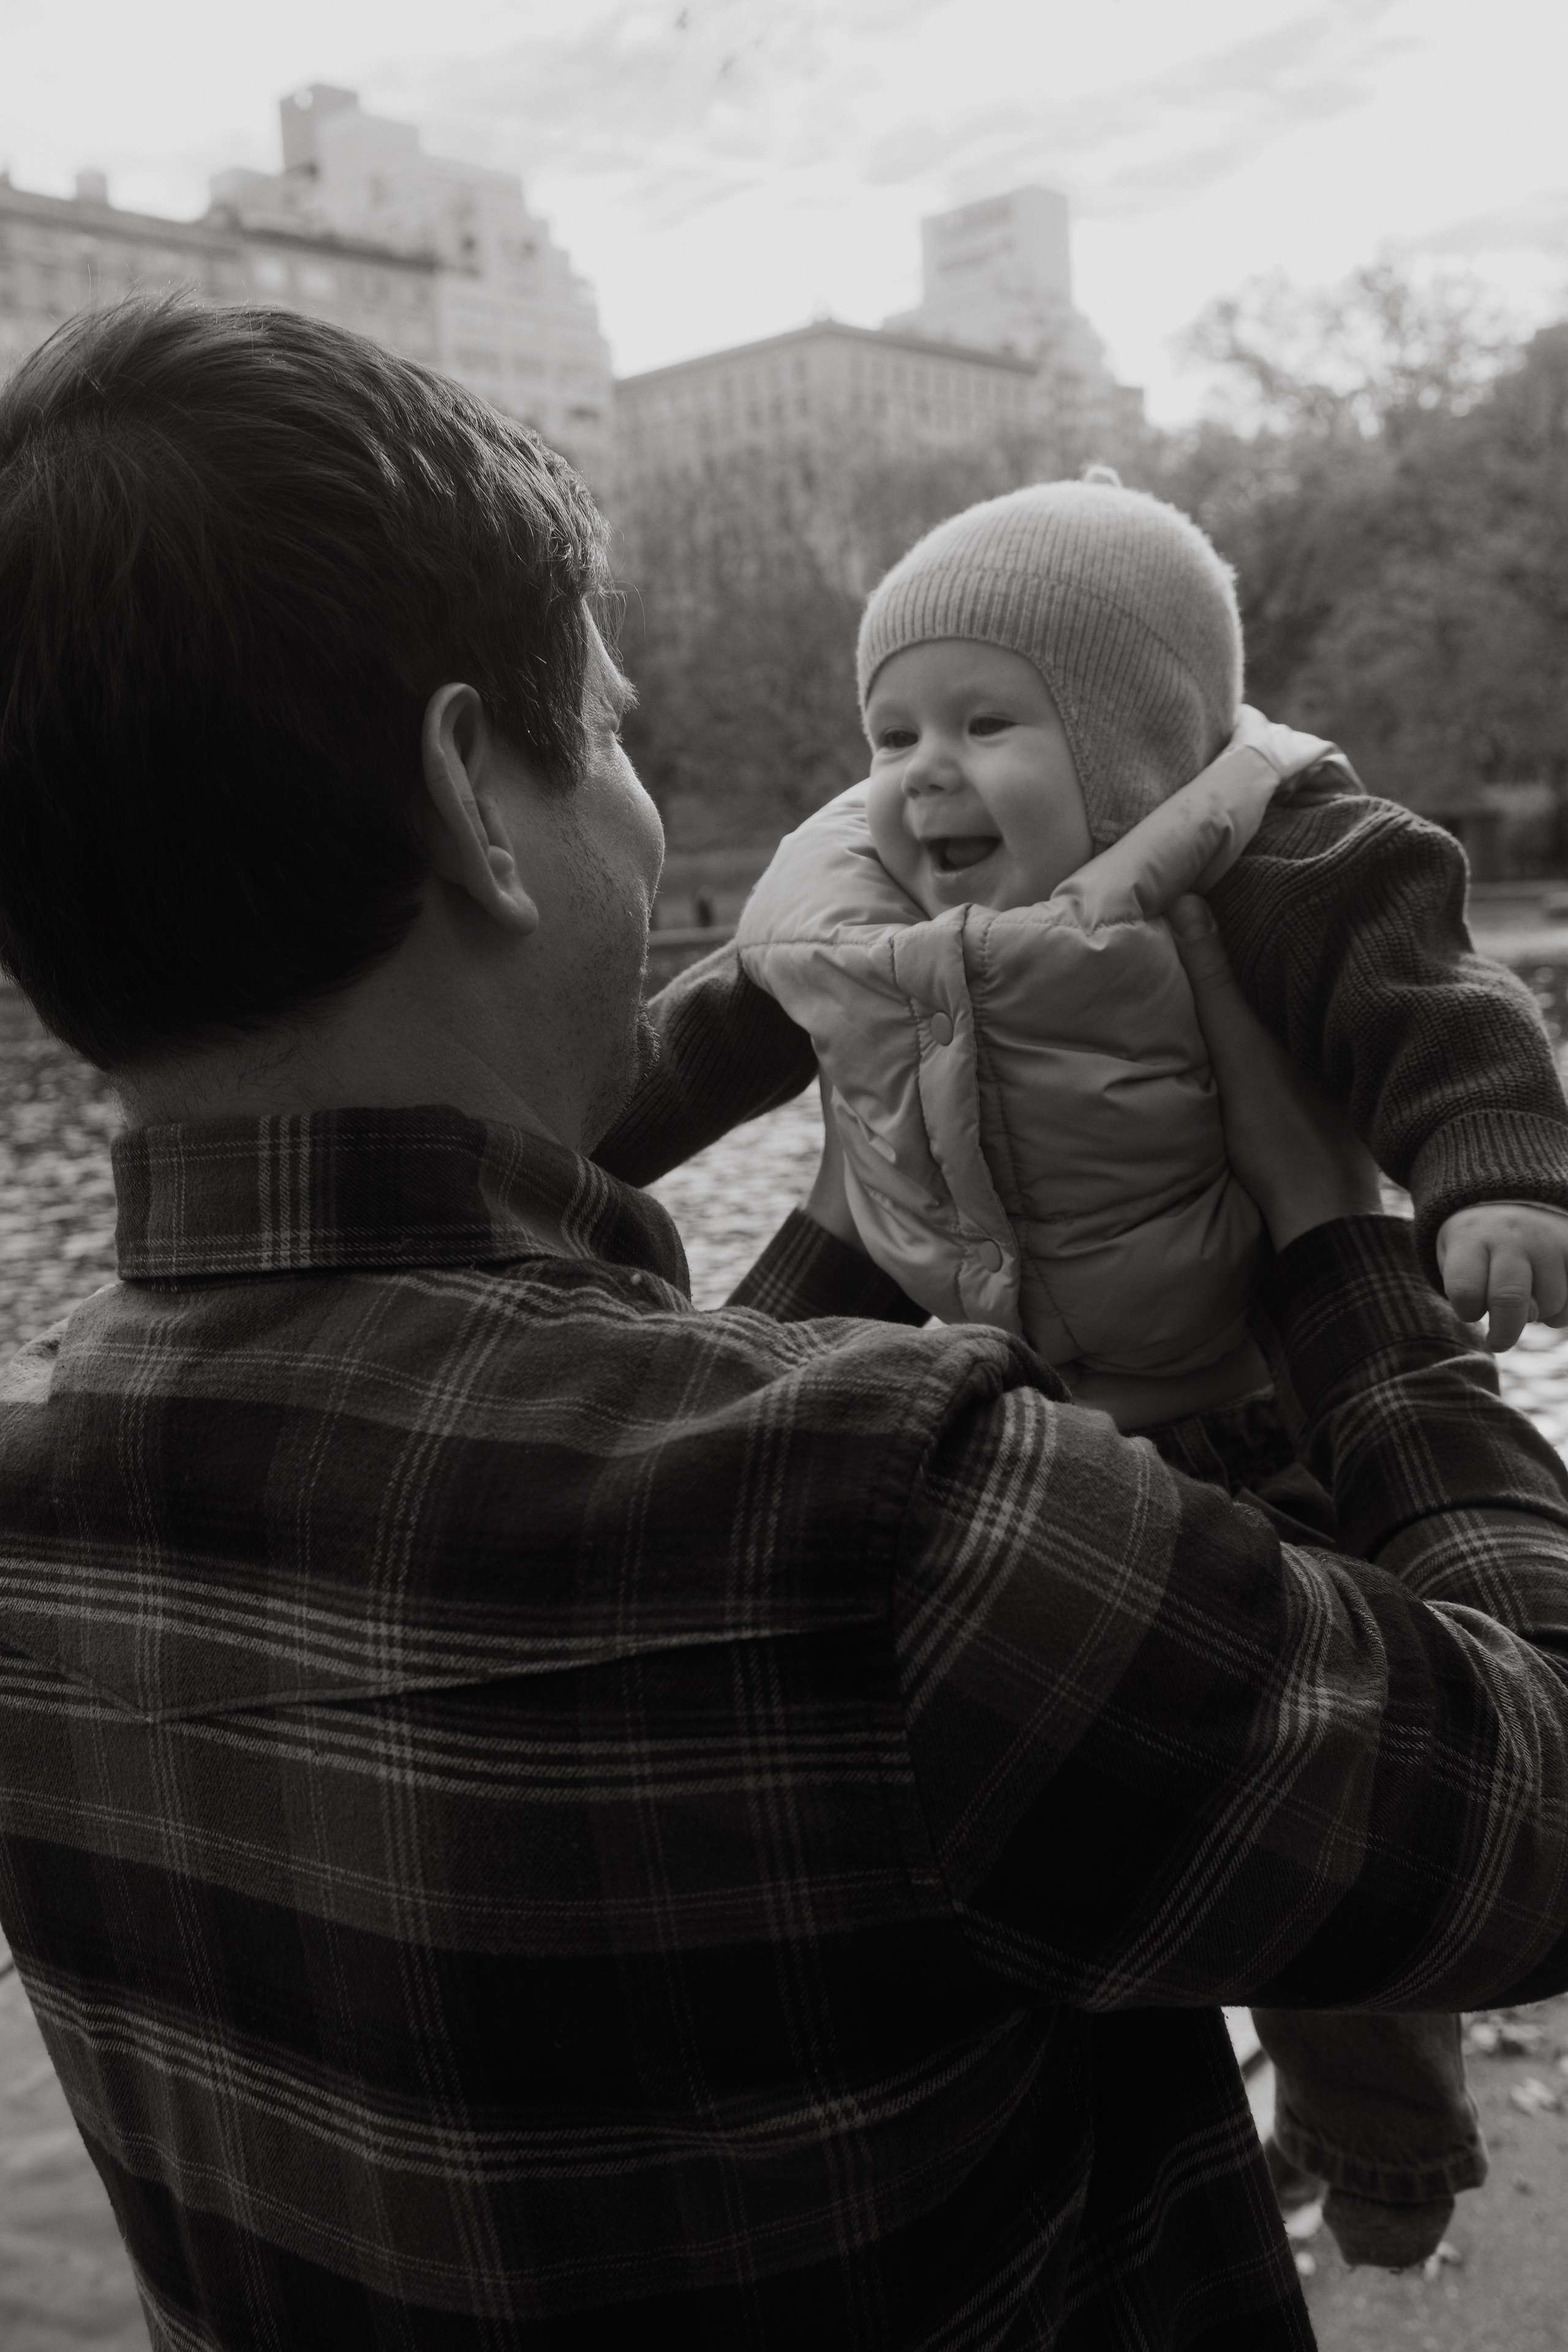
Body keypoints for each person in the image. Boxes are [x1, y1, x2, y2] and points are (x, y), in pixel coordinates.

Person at [3, 301, 1568, 2352]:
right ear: (478, 793)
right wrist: (1326, 1245)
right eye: (622, 730)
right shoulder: (884, 1522)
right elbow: (1533, 1813)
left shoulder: (35, 1545)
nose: (657, 826)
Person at [609, 476, 1568, 2263]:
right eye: (892, 728)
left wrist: (1495, 1175)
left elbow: (1436, 1004)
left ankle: (1387, 2150)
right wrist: (579, 1151)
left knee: (1338, 1846)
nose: (922, 774)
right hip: (994, 1381)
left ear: (1139, 743)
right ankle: (1151, 2104)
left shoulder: (1289, 855)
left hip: (1257, 1390)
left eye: (987, 722)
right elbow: (701, 1046)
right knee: (1077, 1812)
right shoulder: (850, 895)